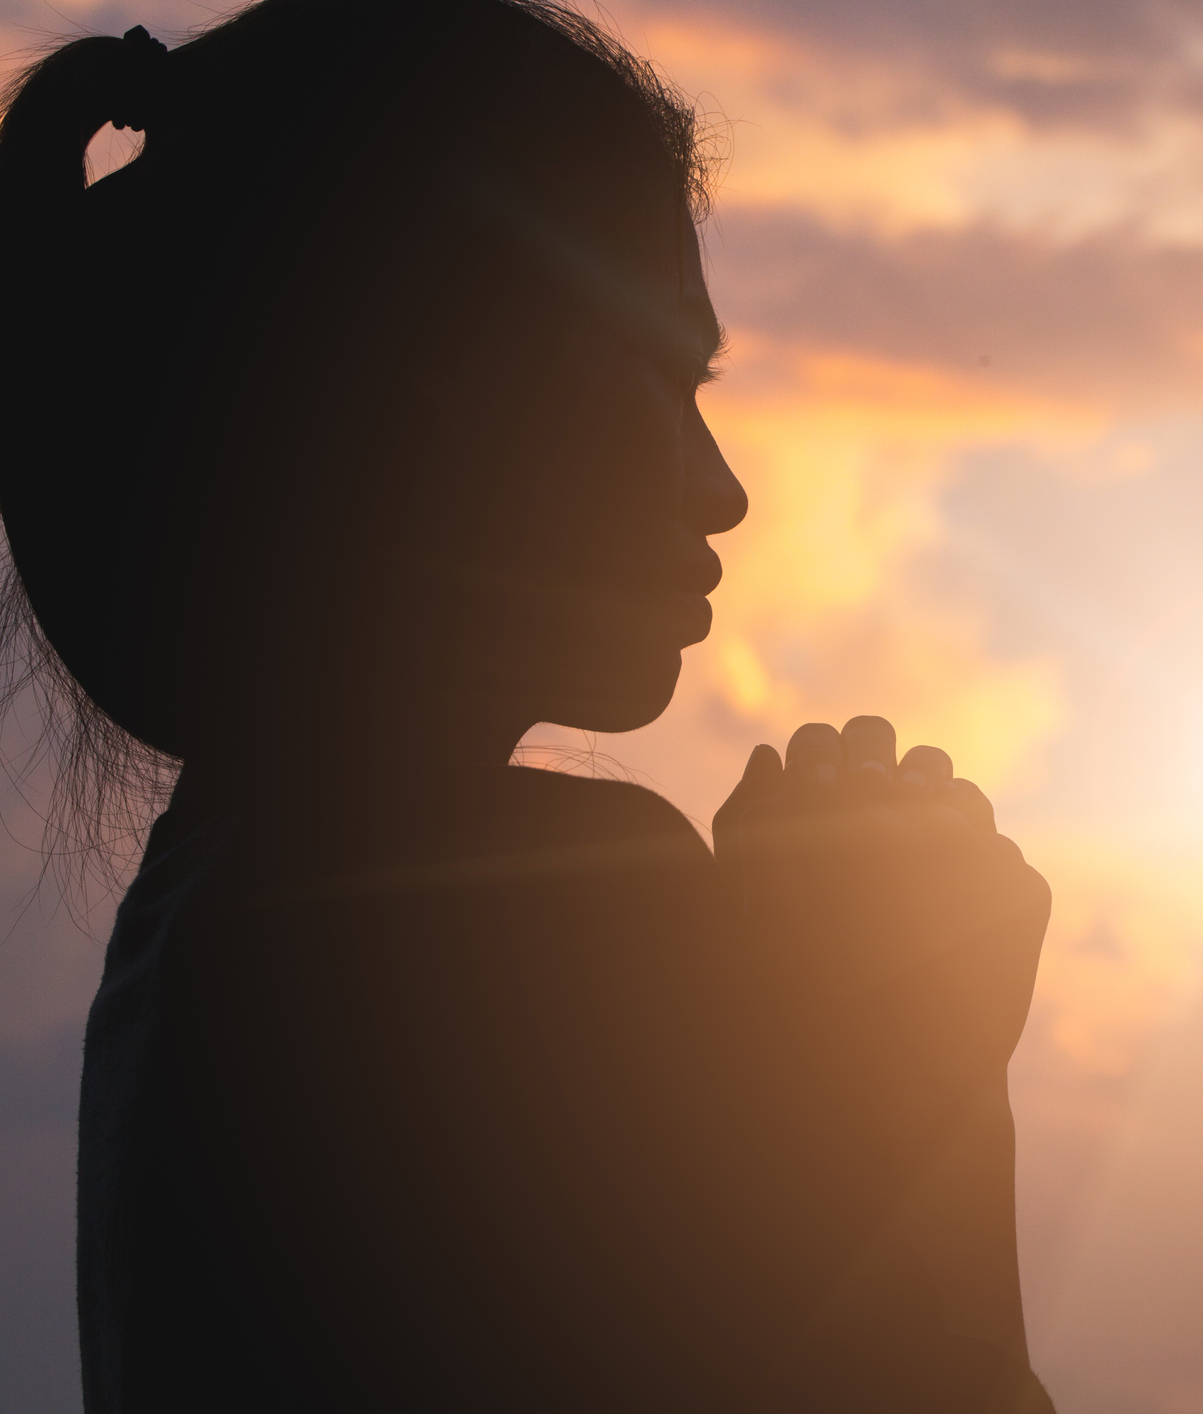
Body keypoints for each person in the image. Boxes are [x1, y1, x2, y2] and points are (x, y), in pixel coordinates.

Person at [0, 2, 1055, 1408]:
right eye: (665, 381)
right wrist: (918, 1058)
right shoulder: (549, 910)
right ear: (448, 377)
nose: (723, 486)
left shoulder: (188, 940)